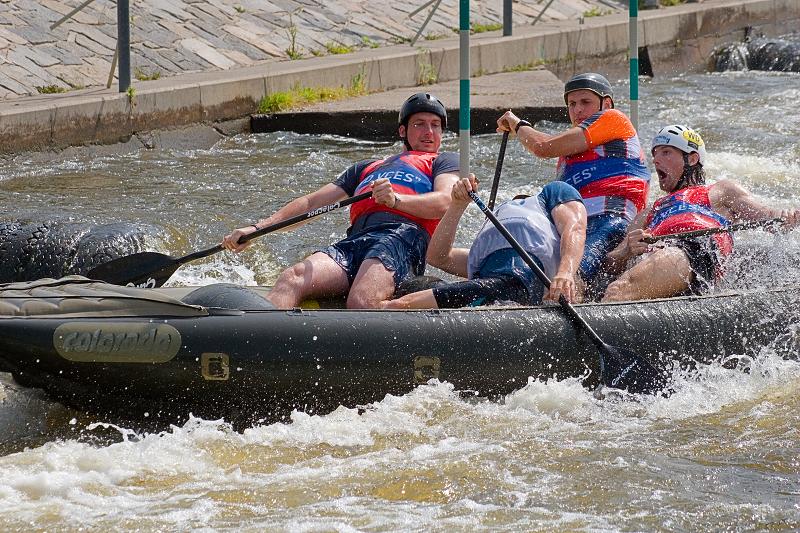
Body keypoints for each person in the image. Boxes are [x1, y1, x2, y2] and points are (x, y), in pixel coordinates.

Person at [221, 92, 460, 309]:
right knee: (292, 278)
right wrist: (257, 229)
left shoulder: (443, 162)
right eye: (419, 124)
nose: (428, 132)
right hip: (356, 239)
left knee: (361, 301)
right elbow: (311, 203)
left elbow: (444, 202)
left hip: (403, 238)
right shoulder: (367, 168)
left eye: (435, 125)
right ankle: (263, 338)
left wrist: (396, 200)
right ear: (402, 131)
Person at [601, 124, 800, 302]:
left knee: (617, 291)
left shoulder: (720, 190)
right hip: (658, 258)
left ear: (692, 158)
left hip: (696, 251)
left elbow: (768, 216)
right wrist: (627, 250)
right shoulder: (649, 211)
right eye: (655, 154)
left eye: (666, 152)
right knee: (613, 289)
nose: (656, 160)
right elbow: (610, 263)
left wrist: (788, 216)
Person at [495, 72, 650, 296]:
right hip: (571, 227)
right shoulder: (566, 157)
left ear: (606, 104)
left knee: (575, 273)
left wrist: (517, 124)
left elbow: (542, 147)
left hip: (610, 221)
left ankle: (570, 291)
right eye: (572, 104)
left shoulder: (614, 119)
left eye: (585, 102)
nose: (577, 110)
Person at [383, 175, 587, 309]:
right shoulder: (487, 249)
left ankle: (387, 309)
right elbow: (438, 257)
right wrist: (457, 205)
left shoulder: (551, 195)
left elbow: (575, 227)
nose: (515, 203)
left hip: (514, 286)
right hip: (489, 287)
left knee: (400, 305)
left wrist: (566, 272)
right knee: (416, 285)